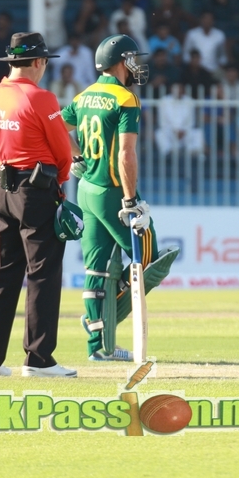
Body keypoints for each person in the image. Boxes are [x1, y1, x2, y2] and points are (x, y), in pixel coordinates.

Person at [60, 34, 179, 361]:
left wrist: (77, 157)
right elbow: (126, 154)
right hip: (113, 192)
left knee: (96, 269)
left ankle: (99, 345)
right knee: (149, 260)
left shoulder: (85, 95)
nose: (136, 65)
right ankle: (105, 318)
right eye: (131, 59)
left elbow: (54, 126)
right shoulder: (125, 99)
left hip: (85, 189)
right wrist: (130, 201)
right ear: (119, 62)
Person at [0, 32, 76, 378]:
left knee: (2, 272)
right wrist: (60, 181)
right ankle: (38, 359)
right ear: (38, 62)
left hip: (0, 184)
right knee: (43, 272)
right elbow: (63, 151)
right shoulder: (41, 97)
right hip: (35, 188)